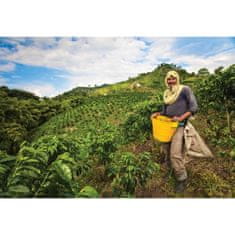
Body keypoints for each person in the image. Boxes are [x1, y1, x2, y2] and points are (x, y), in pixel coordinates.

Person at [151, 70, 198, 193]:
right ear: (166, 80)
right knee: (166, 150)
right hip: (167, 125)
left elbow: (193, 107)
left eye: (173, 78)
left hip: (179, 125)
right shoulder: (167, 93)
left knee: (175, 154)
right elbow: (165, 111)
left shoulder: (184, 89)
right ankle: (171, 171)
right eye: (169, 79)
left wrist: (181, 118)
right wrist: (158, 114)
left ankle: (181, 178)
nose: (171, 81)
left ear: (177, 79)